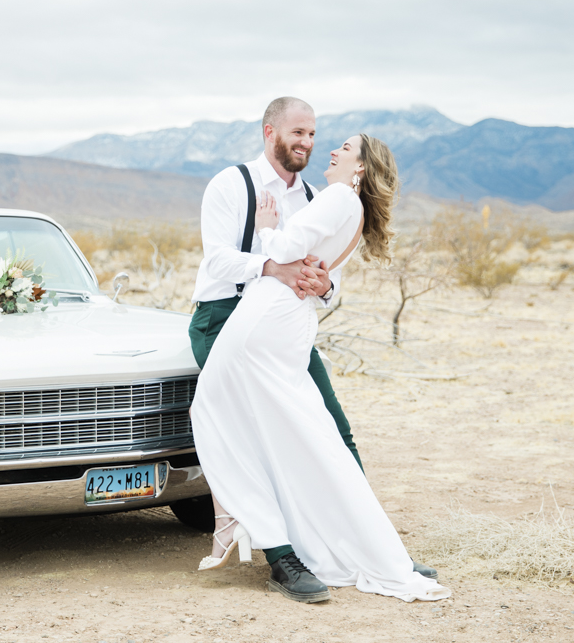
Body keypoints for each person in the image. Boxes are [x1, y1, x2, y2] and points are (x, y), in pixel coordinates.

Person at [189, 111, 448, 604]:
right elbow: (217, 260)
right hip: (225, 317)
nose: (310, 143)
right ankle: (283, 557)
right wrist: (273, 264)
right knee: (255, 434)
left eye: (315, 134)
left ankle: (369, 546)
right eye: (298, 133)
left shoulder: (317, 195)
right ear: (271, 132)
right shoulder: (232, 184)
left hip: (280, 326)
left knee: (331, 428)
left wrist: (324, 285)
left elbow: (326, 269)